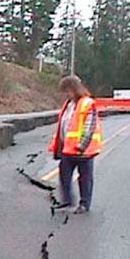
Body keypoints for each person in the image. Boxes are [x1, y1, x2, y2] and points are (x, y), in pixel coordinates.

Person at [48, 75, 103, 214]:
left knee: (85, 178)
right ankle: (66, 201)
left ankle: (84, 204)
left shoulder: (87, 103)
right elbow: (64, 125)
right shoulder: (68, 105)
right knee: (64, 175)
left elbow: (89, 127)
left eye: (67, 90)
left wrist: (82, 146)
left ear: (74, 89)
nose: (65, 94)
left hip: (83, 151)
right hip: (67, 149)